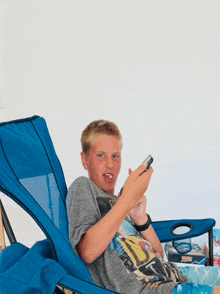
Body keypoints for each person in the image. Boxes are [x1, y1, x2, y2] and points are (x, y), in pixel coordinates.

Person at [66, 120, 220, 294]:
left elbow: (159, 255)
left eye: (115, 156)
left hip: (172, 275)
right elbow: (87, 251)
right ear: (85, 160)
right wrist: (127, 200)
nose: (110, 164)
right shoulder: (82, 187)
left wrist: (140, 219)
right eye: (101, 155)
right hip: (151, 290)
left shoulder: (118, 203)